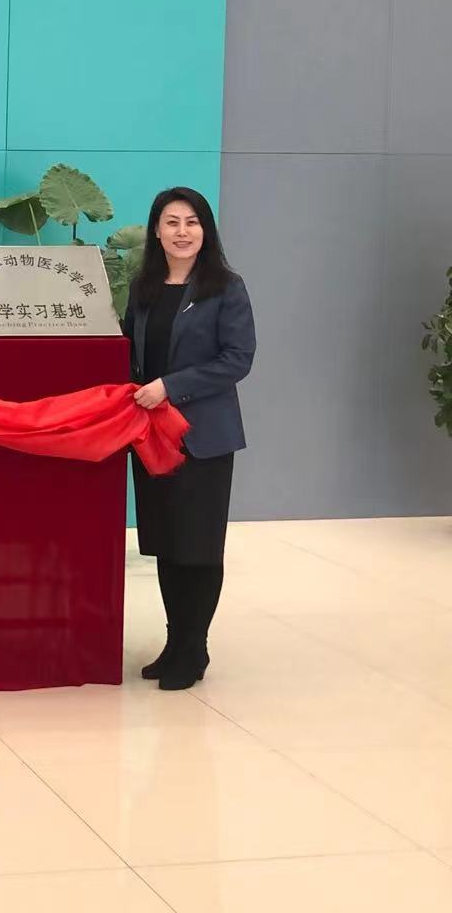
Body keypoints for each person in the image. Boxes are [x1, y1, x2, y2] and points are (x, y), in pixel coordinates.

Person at [124, 186, 256, 691]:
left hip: (204, 438)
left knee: (197, 545)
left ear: (206, 230)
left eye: (192, 222)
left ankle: (194, 647)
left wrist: (170, 387)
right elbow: (130, 352)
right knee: (166, 543)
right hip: (152, 436)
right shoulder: (144, 287)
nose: (182, 232)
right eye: (172, 222)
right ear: (156, 231)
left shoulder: (225, 287)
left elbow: (236, 359)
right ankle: (174, 641)